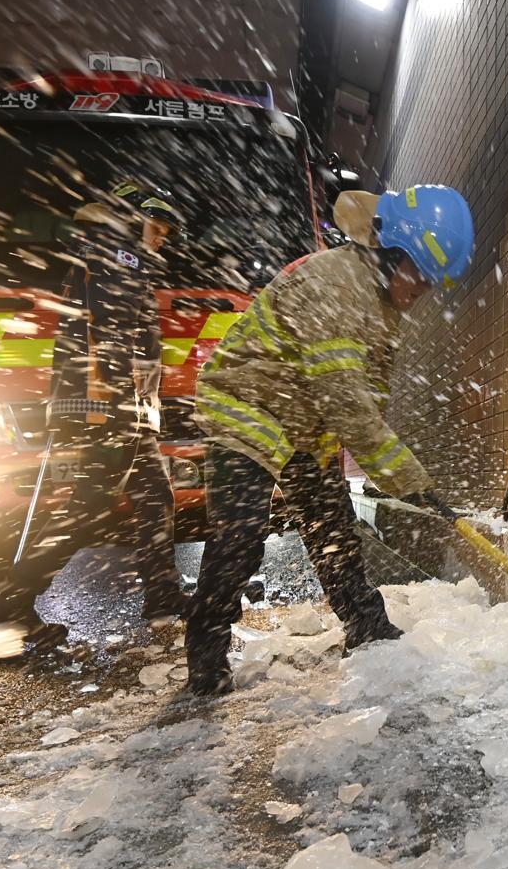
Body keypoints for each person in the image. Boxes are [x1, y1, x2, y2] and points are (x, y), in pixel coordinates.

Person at [181, 184, 474, 699]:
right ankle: (205, 655)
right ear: (393, 252)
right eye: (423, 274)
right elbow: (347, 401)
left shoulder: (380, 304)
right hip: (246, 408)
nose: (426, 289)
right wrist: (409, 479)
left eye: (434, 281)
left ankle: (366, 624)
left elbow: (367, 398)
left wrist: (403, 475)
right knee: (241, 536)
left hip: (302, 422)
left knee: (333, 529)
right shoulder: (335, 284)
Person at [0, 183, 185, 644]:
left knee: (154, 497)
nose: (161, 238)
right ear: (130, 220)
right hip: (106, 408)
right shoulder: (119, 255)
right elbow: (113, 331)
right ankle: (6, 605)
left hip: (114, 407)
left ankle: (163, 597)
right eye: (156, 227)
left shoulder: (98, 254)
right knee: (88, 508)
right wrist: (125, 397)